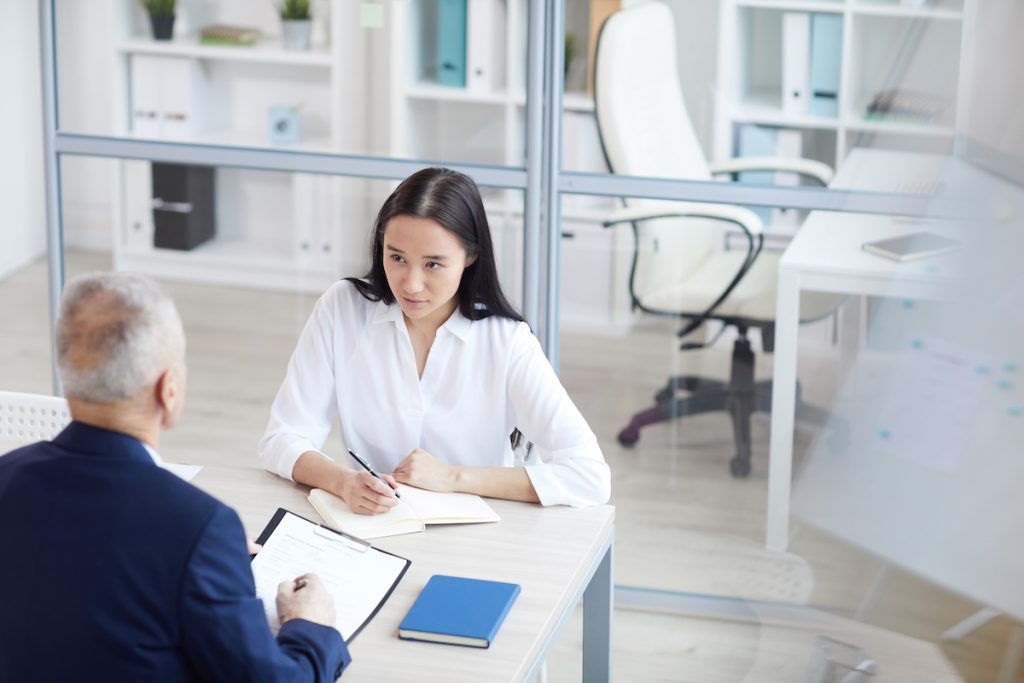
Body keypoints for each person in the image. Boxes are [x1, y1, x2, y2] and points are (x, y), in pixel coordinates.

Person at [0, 272, 349, 682]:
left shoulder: (7, 478)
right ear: (169, 389)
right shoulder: (197, 526)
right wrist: (310, 626)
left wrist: (208, 558)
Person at [259, 167, 611, 515]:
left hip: (481, 538)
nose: (411, 284)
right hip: (377, 528)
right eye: (397, 257)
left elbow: (588, 475)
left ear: (470, 257)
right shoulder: (343, 308)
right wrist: (342, 481)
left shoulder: (506, 341)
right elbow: (282, 439)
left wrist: (453, 478)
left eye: (433, 265)